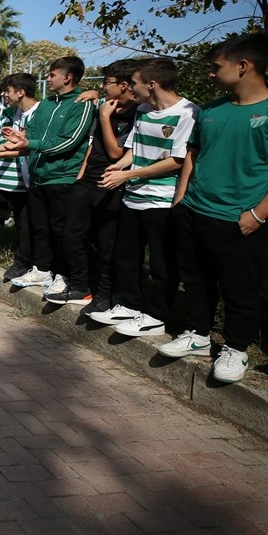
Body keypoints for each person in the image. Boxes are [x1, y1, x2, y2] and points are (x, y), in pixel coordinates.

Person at [158, 34, 268, 383]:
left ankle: (236, 348)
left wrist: (259, 213)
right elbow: (192, 154)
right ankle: (197, 334)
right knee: (195, 279)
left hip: (240, 218)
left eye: (216, 67)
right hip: (194, 210)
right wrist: (181, 199)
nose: (211, 74)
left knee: (240, 286)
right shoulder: (210, 109)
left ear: (243, 66)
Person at [91, 58, 198, 335]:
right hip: (133, 196)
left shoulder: (187, 113)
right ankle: (130, 305)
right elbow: (133, 148)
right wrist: (122, 165)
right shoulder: (143, 110)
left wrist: (128, 175)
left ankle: (156, 316)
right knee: (126, 256)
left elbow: (178, 160)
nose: (131, 89)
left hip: (163, 199)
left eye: (135, 84)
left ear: (152, 84)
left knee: (163, 263)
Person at [44, 59, 141, 310]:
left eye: (106, 83)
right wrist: (81, 176)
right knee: (72, 234)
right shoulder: (103, 106)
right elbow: (93, 146)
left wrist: (106, 117)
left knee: (107, 244)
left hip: (111, 183)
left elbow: (115, 153)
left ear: (123, 85)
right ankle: (79, 286)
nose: (102, 87)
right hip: (86, 181)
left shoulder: (138, 114)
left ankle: (106, 295)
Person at [2, 56, 95, 290]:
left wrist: (29, 144)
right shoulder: (46, 104)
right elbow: (31, 134)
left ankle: (64, 276)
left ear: (68, 77)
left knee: (62, 231)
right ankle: (42, 270)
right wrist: (19, 139)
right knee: (39, 227)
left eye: (52, 74)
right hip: (38, 176)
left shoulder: (81, 104)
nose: (48, 78)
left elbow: (69, 142)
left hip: (62, 177)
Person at [0, 73, 39, 276]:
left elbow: (23, 147)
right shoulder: (10, 113)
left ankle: (23, 261)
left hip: (24, 177)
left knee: (23, 221)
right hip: (2, 173)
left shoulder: (38, 113)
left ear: (20, 92)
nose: (4, 94)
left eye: (7, 90)